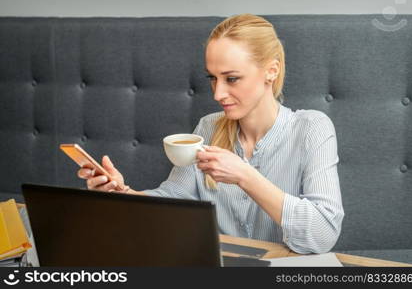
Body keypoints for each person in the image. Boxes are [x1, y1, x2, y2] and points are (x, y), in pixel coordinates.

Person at [77, 14, 344, 254]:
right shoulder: (208, 127)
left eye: (232, 78)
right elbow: (173, 201)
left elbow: (322, 234)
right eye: (213, 78)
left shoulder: (311, 128)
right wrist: (123, 195)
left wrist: (245, 175)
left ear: (271, 71)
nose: (217, 94)